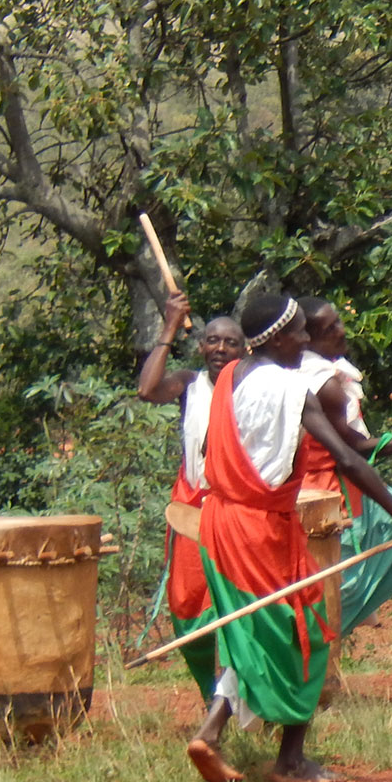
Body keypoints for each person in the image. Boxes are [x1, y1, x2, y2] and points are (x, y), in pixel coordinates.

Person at [186, 293, 392, 782]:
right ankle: (291, 761)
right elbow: (347, 457)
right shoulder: (291, 388)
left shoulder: (230, 377)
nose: (306, 340)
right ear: (278, 338)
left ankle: (211, 732)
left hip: (219, 522)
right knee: (308, 631)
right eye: (300, 332)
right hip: (258, 529)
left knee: (251, 632)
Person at [297, 298, 392, 637]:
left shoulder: (320, 371)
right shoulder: (324, 384)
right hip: (324, 494)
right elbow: (355, 453)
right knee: (338, 587)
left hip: (336, 485)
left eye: (339, 322)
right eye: (331, 328)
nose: (342, 331)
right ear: (306, 339)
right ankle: (311, 646)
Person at [135, 290, 246, 704]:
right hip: (191, 509)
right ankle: (211, 694)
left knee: (240, 603)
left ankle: (242, 695)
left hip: (237, 508)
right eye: (213, 341)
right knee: (186, 606)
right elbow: (147, 391)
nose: (220, 348)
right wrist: (168, 325)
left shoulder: (252, 384)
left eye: (230, 342)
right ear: (200, 346)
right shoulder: (188, 383)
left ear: (245, 348)